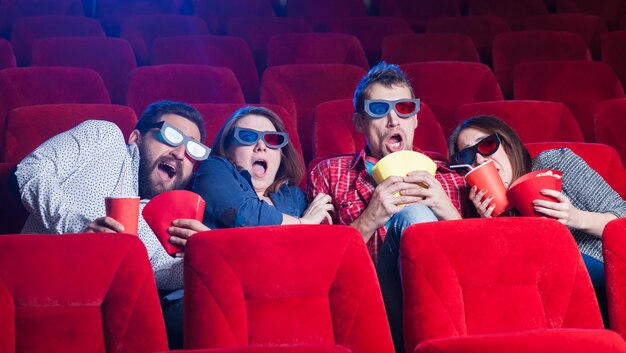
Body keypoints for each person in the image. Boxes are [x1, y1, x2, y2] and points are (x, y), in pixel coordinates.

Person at [16, 100, 210, 348]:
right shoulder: (103, 137)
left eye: (193, 150)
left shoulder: (166, 215)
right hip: (32, 293)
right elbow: (31, 170)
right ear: (135, 137)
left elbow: (158, 273)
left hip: (101, 323)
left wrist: (204, 254)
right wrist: (78, 228)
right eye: (170, 136)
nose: (181, 154)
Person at [307, 62, 469, 353]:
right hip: (369, 304)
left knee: (417, 214)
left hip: (446, 309)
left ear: (416, 119)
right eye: (379, 110)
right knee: (414, 213)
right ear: (359, 122)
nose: (394, 120)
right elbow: (319, 270)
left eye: (404, 108)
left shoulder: (450, 179)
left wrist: (448, 214)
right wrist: (369, 219)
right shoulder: (330, 172)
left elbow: (475, 268)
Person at [448, 115, 626, 323]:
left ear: (508, 143)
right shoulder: (476, 212)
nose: (479, 160)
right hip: (546, 311)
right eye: (466, 157)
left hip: (604, 284)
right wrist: (489, 226)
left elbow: (622, 218)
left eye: (487, 145)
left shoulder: (555, 163)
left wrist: (574, 217)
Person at [193, 106, 333, 228]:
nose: (261, 146)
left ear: (281, 154)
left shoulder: (295, 196)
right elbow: (243, 214)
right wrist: (304, 224)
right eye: (247, 137)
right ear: (228, 149)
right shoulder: (212, 170)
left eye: (271, 139)